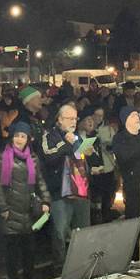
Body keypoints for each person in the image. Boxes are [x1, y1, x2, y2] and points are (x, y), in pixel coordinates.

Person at [0, 123, 50, 279]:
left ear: (28, 139)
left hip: (28, 209)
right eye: (17, 135)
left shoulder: (33, 158)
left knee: (29, 249)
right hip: (11, 210)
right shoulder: (1, 157)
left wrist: (46, 200)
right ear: (11, 137)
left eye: (23, 136)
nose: (19, 139)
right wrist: (3, 208)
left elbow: (40, 181)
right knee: (12, 250)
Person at [42, 104, 91, 270]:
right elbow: (48, 157)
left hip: (79, 190)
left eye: (75, 118)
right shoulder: (49, 135)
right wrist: (65, 143)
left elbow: (83, 158)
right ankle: (60, 268)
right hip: (59, 192)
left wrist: (86, 149)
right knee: (60, 233)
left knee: (81, 230)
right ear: (59, 119)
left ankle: (82, 265)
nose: (74, 122)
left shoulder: (76, 136)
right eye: (70, 118)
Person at [112, 106, 140, 221]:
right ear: (126, 120)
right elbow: (124, 156)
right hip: (134, 186)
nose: (137, 117)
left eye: (137, 115)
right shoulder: (120, 138)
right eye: (133, 115)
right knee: (135, 217)